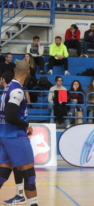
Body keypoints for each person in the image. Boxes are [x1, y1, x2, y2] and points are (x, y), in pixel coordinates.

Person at [0, 60, 39, 206]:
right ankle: (33, 204)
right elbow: (10, 116)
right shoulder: (17, 90)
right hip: (15, 136)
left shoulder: (7, 87)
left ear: (15, 69)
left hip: (4, 136)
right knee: (29, 175)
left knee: (3, 172)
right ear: (28, 73)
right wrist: (26, 125)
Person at [0, 72, 24, 205]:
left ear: (3, 80)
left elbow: (11, 116)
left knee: (15, 166)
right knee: (10, 166)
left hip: (11, 135)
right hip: (7, 135)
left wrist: (26, 126)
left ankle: (20, 194)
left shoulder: (9, 94)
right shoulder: (8, 94)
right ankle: (20, 194)